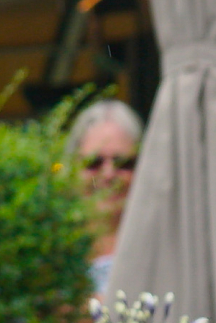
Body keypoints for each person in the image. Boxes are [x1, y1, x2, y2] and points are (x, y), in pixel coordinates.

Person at [66, 99, 142, 296]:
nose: (108, 175)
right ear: (73, 168)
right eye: (94, 162)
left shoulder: (161, 247)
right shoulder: (54, 249)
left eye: (123, 163)